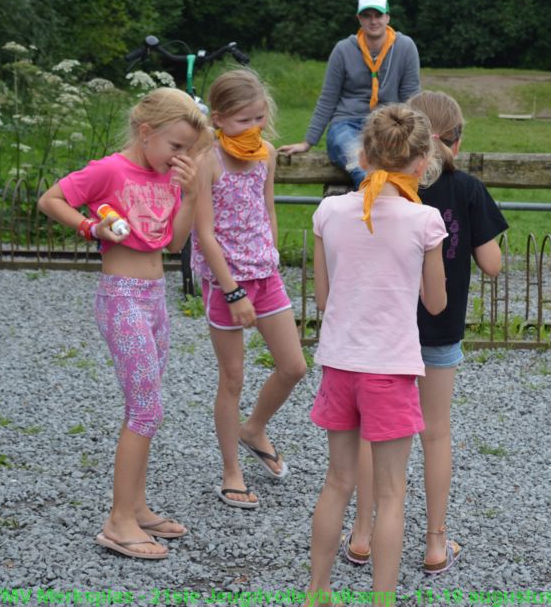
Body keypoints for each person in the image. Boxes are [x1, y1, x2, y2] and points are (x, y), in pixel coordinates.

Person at [37, 87, 212, 559]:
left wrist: (192, 193)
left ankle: (135, 506)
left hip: (155, 299)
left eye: (188, 151)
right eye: (176, 147)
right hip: (121, 299)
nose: (181, 157)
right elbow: (51, 199)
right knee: (146, 410)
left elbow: (174, 245)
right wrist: (88, 227)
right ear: (146, 131)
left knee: (146, 405)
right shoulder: (111, 169)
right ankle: (117, 522)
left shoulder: (170, 177)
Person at [342, 90, 508, 575]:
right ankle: (436, 542)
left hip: (384, 334)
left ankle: (362, 535)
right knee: (435, 434)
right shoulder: (470, 189)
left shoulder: (378, 188)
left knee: (376, 436)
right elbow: (492, 265)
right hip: (439, 331)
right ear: (453, 140)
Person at [304, 103, 447, 605]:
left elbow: (324, 300)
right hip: (390, 370)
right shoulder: (425, 220)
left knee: (337, 482)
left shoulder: (329, 212)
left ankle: (317, 592)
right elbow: (436, 303)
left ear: (363, 153)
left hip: (340, 363)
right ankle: (381, 600)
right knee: (389, 495)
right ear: (421, 160)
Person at [191, 69, 308, 509]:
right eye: (243, 120)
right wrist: (233, 291)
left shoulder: (266, 155)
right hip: (227, 282)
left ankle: (253, 428)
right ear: (219, 119)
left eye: (259, 118)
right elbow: (204, 234)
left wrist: (271, 253)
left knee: (294, 366)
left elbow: (268, 209)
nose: (253, 128)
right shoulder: (209, 161)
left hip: (266, 275)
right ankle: (231, 472)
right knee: (233, 377)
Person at [278, 0, 421, 188]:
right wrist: (308, 142)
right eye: (366, 15)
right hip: (346, 123)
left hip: (388, 124)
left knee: (399, 163)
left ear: (387, 17)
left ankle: (375, 206)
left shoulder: (405, 46)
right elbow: (328, 98)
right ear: (359, 18)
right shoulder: (343, 49)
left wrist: (420, 137)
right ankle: (374, 201)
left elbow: (411, 98)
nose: (373, 21)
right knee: (358, 158)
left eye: (378, 15)